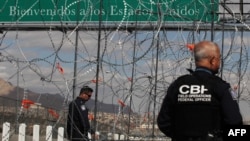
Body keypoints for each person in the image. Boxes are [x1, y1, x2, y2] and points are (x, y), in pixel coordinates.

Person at [157, 41, 243, 141]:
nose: (219, 63)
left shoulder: (178, 85)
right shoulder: (220, 87)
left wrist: (180, 136)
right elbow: (235, 123)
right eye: (219, 59)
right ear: (213, 60)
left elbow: (163, 123)